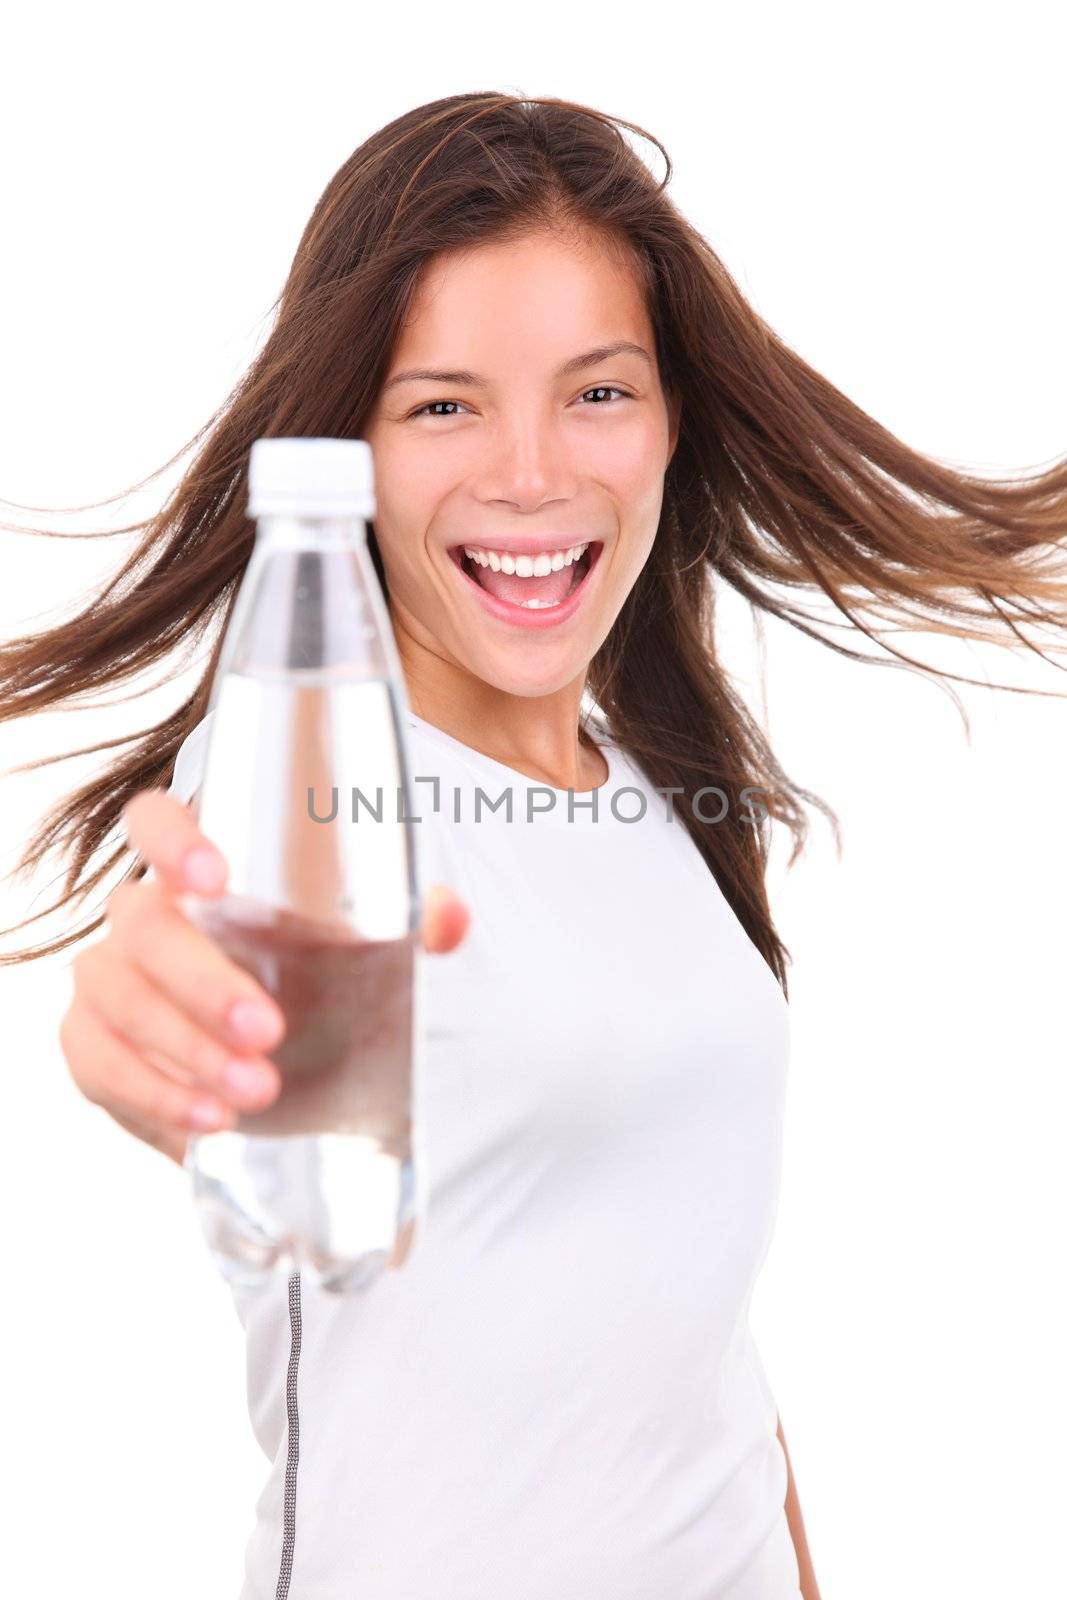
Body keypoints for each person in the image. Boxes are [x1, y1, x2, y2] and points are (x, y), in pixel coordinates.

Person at [4, 91, 1066, 1600]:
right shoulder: (302, 790)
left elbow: (703, 1354)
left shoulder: (663, 793)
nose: (530, 474)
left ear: (672, 419)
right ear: (348, 449)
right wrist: (147, 1026)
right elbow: (193, 985)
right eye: (443, 404)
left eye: (598, 392)